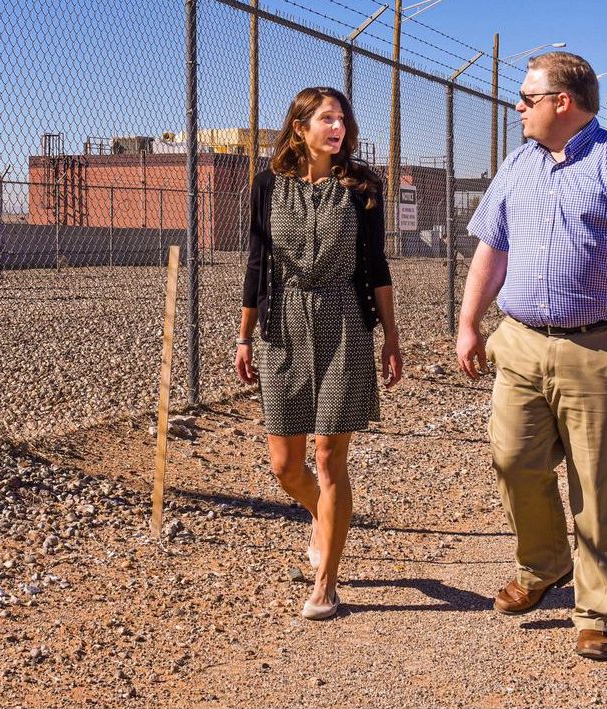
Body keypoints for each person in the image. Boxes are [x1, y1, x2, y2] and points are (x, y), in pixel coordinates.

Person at [455, 52, 607, 660]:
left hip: (600, 345)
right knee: (513, 459)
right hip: (521, 341)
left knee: (599, 484)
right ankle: (545, 564)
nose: (517, 106)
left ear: (564, 102)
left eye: (528, 96)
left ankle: (595, 608)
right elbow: (491, 249)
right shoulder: (516, 166)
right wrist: (469, 321)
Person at [235, 86, 404, 621]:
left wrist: (392, 338)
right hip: (281, 325)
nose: (339, 128)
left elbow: (375, 267)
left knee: (330, 456)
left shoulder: (363, 188)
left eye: (343, 120)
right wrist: (244, 335)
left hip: (344, 326)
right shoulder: (266, 186)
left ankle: (325, 583)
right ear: (299, 128)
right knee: (286, 467)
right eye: (326, 119)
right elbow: (256, 262)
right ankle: (323, 517)